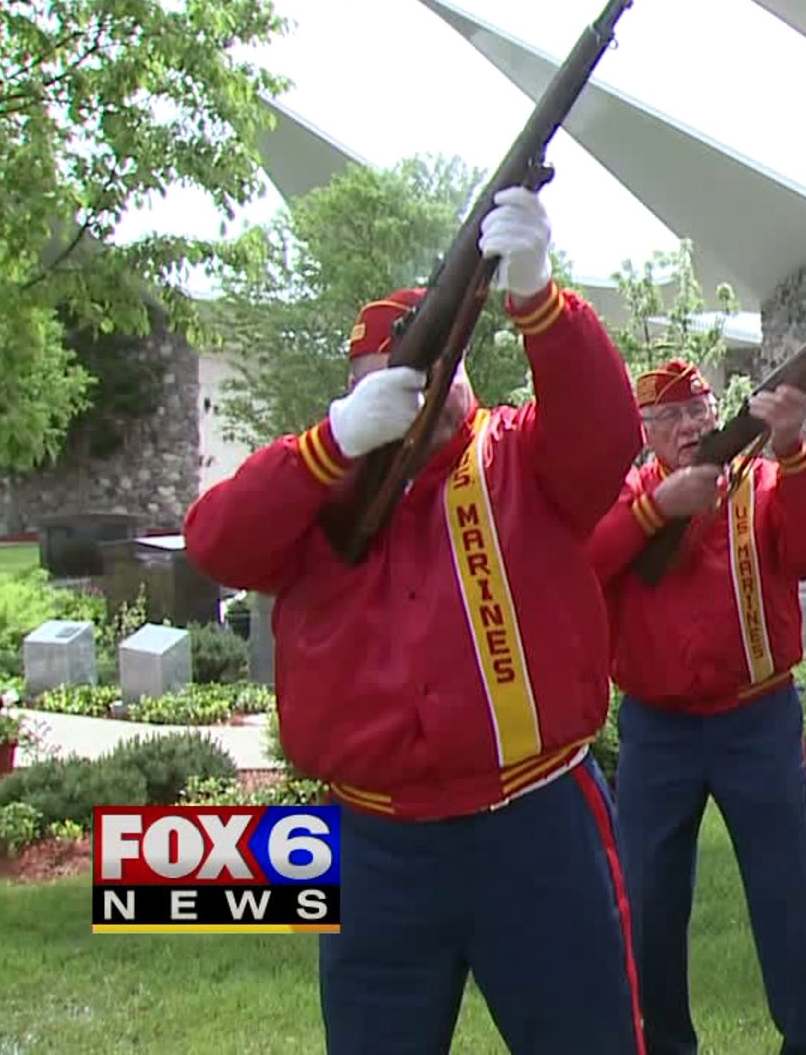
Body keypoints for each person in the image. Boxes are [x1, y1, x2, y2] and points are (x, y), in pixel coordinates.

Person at [182, 186, 646, 1054]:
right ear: (362, 389)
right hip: (370, 840)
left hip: (536, 821)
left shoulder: (519, 452)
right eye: (399, 371)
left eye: (443, 360)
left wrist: (541, 299)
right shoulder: (319, 482)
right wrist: (334, 443)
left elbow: (608, 436)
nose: (430, 381)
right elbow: (215, 541)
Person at [585, 358, 806, 1055]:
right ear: (645, 433)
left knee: (786, 895)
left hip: (757, 718)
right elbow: (582, 564)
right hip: (656, 730)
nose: (689, 426)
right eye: (669, 417)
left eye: (699, 410)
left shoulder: (764, 483)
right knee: (648, 903)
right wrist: (658, 509)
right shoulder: (626, 499)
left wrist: (793, 448)